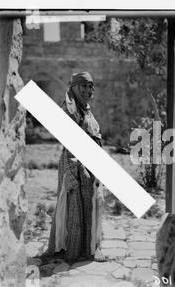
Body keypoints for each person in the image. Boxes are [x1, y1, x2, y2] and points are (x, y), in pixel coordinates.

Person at [43, 71, 106, 263]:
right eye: (84, 86)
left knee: (91, 205)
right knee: (74, 207)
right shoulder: (70, 110)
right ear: (74, 88)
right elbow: (69, 142)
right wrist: (74, 171)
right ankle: (73, 250)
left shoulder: (85, 109)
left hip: (90, 164)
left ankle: (88, 248)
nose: (88, 90)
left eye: (90, 86)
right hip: (76, 164)